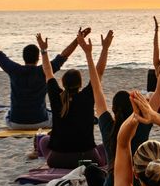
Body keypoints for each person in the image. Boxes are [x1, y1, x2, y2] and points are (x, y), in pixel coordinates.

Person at [84, 35, 160, 186]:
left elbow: (97, 89)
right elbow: (159, 91)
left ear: (113, 109)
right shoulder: (142, 124)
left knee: (90, 170)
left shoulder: (107, 126)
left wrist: (88, 54)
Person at [0, 21, 84, 128]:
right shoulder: (44, 70)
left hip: (15, 122)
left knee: (8, 113)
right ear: (38, 58)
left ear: (23, 58)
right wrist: (78, 40)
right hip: (40, 121)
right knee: (52, 113)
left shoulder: (14, 69)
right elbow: (63, 56)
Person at [35, 31, 111, 168]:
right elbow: (98, 72)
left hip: (58, 160)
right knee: (105, 146)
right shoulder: (87, 95)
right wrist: (104, 48)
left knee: (44, 141)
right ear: (80, 84)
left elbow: (48, 71)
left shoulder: (56, 95)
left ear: (63, 83)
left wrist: (44, 50)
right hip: (87, 159)